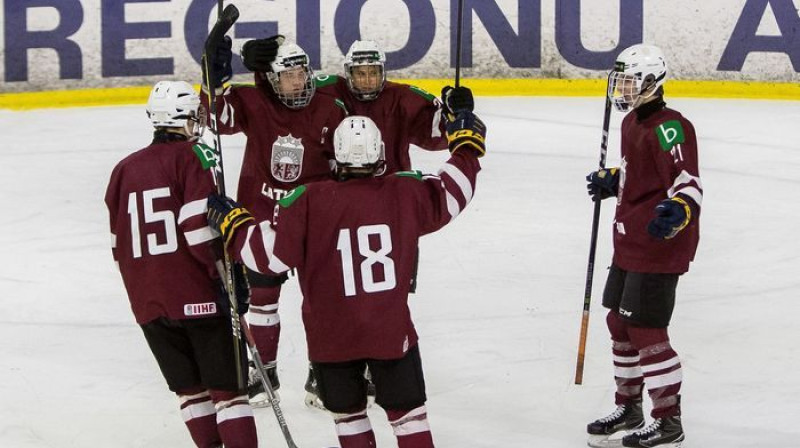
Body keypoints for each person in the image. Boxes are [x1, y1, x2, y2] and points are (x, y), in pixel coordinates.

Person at [205, 112, 487, 448]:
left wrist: (236, 226)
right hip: (390, 332)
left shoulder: (305, 200)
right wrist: (466, 148)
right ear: (379, 154)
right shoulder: (406, 191)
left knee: (349, 418)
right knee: (409, 418)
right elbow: (452, 193)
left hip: (331, 340)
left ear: (335, 156)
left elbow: (270, 259)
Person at [104, 81, 257, 448]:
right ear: (184, 117)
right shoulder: (196, 155)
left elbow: (117, 245)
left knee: (191, 393)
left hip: (147, 302)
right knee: (229, 393)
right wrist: (229, 273)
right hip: (196, 293)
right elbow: (196, 231)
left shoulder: (122, 169)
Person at [204, 33, 348, 406]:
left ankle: (324, 372)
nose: (298, 82)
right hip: (263, 221)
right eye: (288, 76)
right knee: (264, 300)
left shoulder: (331, 110)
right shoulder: (253, 103)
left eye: (302, 73)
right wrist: (213, 77)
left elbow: (342, 170)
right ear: (270, 79)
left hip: (314, 222)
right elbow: (216, 116)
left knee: (322, 302)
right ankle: (264, 373)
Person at [585, 44, 702, 448]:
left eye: (631, 81)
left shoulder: (672, 126)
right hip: (629, 240)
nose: (623, 89)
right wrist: (613, 181)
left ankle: (669, 421)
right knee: (618, 323)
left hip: (660, 242)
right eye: (619, 81)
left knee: (646, 329)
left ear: (653, 82)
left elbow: (686, 180)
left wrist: (680, 209)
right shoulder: (631, 122)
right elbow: (642, 176)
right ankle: (629, 406)